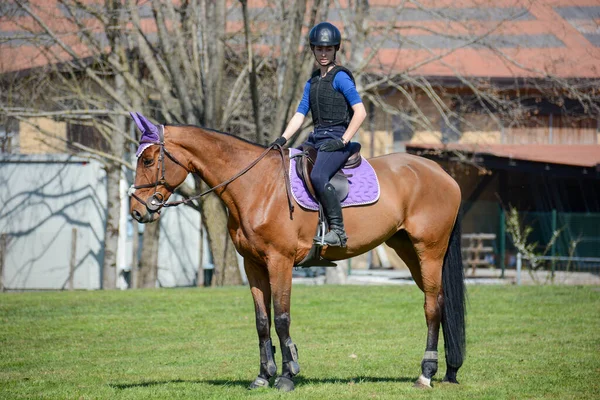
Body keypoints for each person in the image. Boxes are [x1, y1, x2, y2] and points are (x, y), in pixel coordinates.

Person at [270, 22, 367, 247]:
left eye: (328, 49)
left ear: (335, 49)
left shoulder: (341, 77)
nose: (324, 53)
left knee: (318, 176)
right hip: (317, 139)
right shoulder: (312, 82)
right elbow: (299, 114)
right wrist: (282, 139)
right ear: (313, 49)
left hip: (337, 140)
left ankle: (338, 231)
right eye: (319, 49)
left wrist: (343, 140)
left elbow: (360, 112)